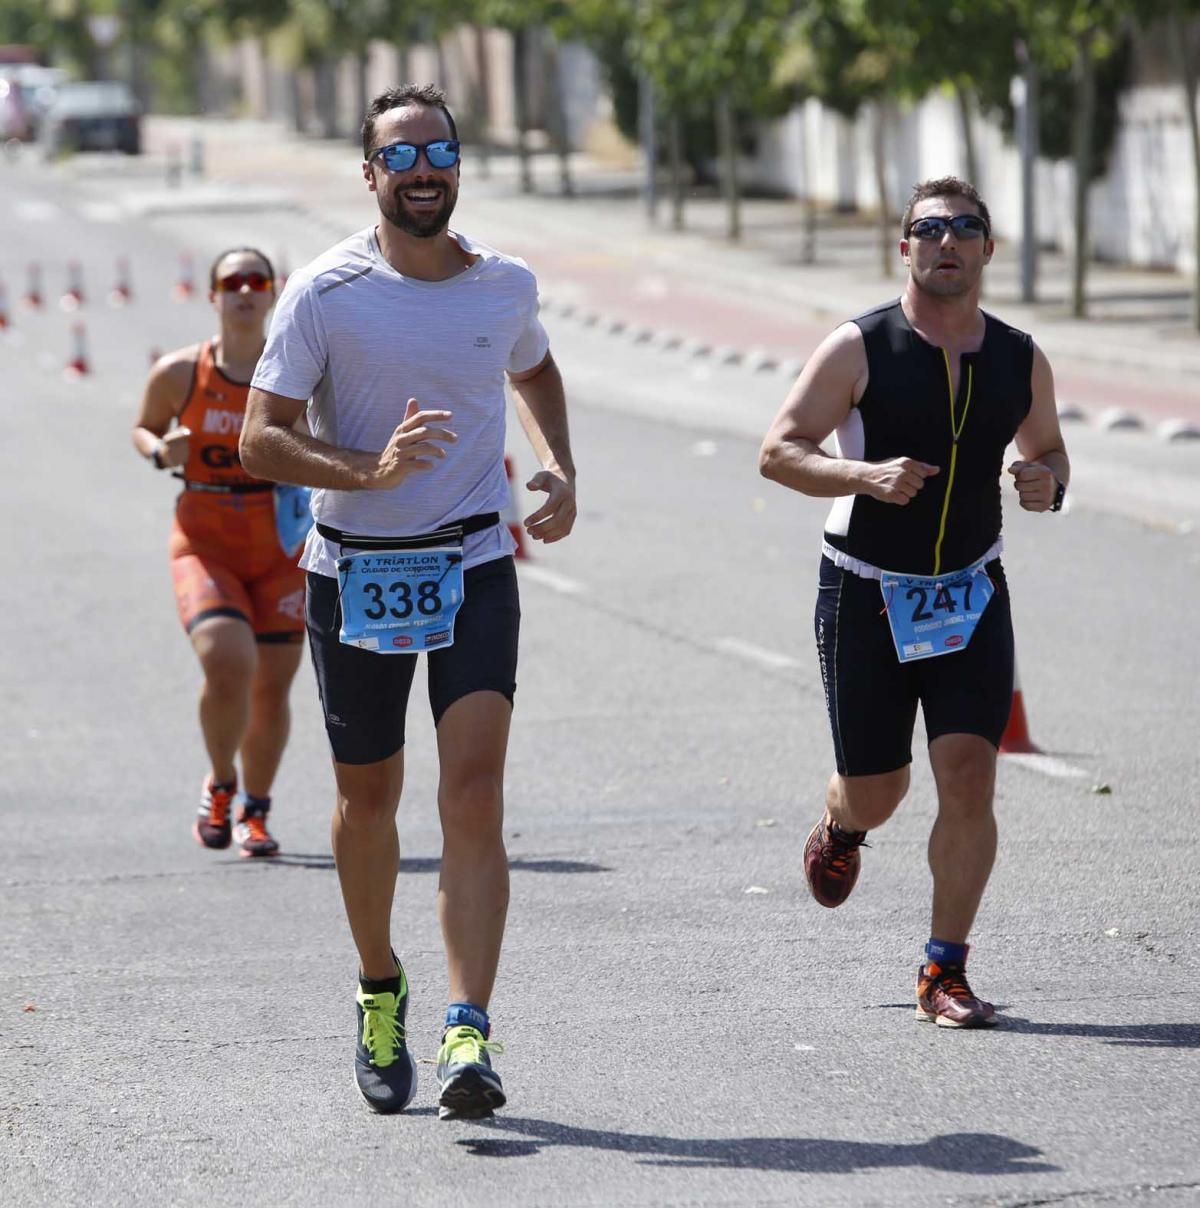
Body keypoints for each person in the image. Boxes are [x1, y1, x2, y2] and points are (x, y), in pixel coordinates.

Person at [239, 84, 577, 1118]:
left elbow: (538, 368)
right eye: (402, 154)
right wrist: (366, 471)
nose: (423, 168)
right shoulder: (324, 292)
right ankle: (379, 980)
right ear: (371, 174)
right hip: (357, 568)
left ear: (459, 165)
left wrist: (559, 465)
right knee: (368, 802)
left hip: (474, 559)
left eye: (440, 149)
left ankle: (467, 1025)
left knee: (473, 794)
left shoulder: (503, 283)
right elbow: (260, 435)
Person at [759, 177, 1069, 1028]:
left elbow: (1049, 451)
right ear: (905, 249)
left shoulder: (1018, 357)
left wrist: (1046, 482)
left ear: (987, 249)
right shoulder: (859, 347)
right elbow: (778, 452)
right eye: (929, 230)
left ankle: (944, 969)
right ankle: (842, 826)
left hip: (972, 588)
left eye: (965, 229)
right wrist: (863, 475)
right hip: (866, 590)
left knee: (969, 775)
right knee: (880, 790)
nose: (947, 243)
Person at [133, 247, 307, 859]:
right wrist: (161, 451)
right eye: (230, 281)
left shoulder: (297, 373)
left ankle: (256, 811)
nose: (243, 291)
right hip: (205, 542)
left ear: (272, 293)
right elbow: (144, 427)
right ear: (213, 295)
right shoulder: (181, 373)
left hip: (282, 545)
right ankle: (221, 783)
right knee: (228, 661)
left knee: (272, 690)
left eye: (255, 281)